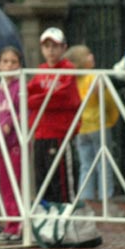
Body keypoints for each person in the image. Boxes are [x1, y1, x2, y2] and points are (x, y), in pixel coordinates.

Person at [27, 27, 81, 203]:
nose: (50, 50)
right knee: (43, 182)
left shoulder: (68, 70)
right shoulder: (41, 70)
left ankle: (65, 221)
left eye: (55, 46)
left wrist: (39, 98)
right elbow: (27, 95)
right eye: (47, 46)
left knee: (62, 184)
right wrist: (43, 97)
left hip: (59, 134)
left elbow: (62, 98)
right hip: (40, 132)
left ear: (63, 48)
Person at [64, 45, 119, 202]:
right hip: (98, 124)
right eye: (87, 55)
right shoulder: (93, 77)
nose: (92, 56)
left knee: (86, 164)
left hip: (81, 127)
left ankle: (85, 197)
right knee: (104, 161)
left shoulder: (73, 80)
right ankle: (105, 196)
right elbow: (106, 99)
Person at [0, 46, 23, 243]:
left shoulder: (19, 87)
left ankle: (18, 225)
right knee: (5, 186)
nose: (9, 66)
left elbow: (23, 112)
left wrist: (9, 124)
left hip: (15, 144)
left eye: (13, 62)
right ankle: (9, 223)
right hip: (0, 144)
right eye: (5, 62)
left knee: (16, 183)